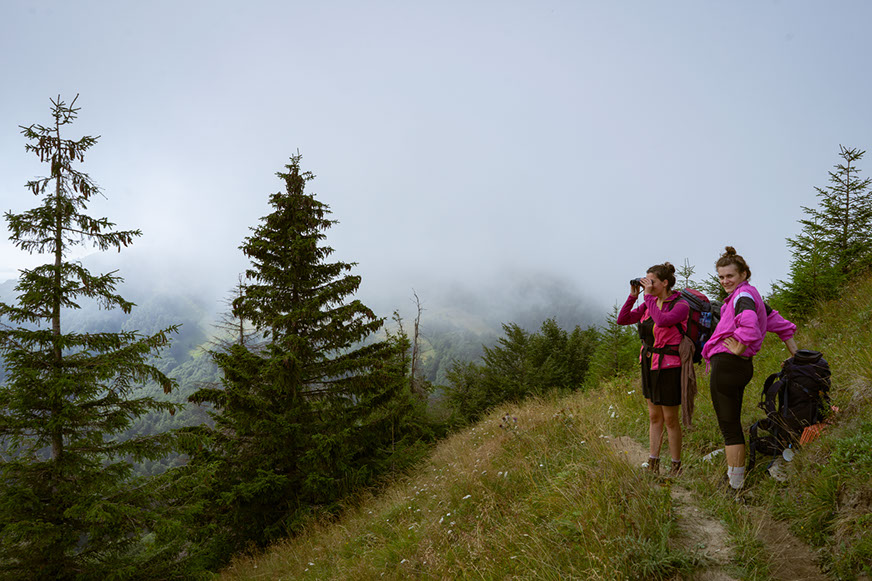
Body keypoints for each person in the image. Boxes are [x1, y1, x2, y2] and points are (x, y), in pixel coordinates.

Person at [701, 246, 797, 491]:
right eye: (721, 277)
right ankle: (735, 478)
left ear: (743, 274)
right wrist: (797, 356)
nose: (725, 281)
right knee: (732, 422)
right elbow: (782, 326)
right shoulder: (753, 297)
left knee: (729, 427)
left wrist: (739, 347)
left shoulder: (742, 297)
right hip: (741, 368)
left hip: (728, 366)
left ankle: (735, 485)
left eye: (730, 276)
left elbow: (750, 327)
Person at [617, 262, 690, 476]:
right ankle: (653, 462)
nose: (648, 285)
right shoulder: (649, 304)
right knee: (654, 416)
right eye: (646, 281)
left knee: (670, 419)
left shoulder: (680, 305)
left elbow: (662, 320)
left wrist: (647, 297)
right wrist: (633, 296)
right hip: (649, 364)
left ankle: (676, 466)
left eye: (652, 281)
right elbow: (623, 319)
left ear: (665, 283)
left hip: (669, 367)